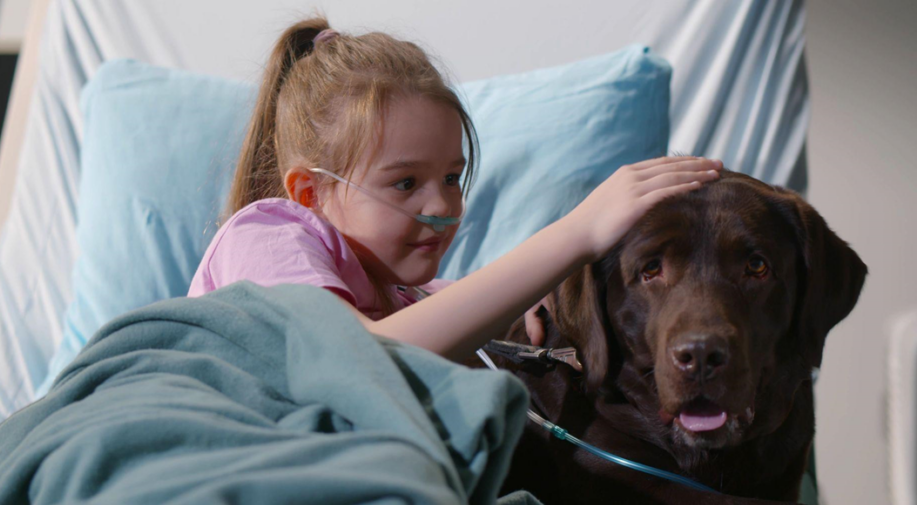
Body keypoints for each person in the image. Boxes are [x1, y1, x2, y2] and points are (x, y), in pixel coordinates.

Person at [188, 17, 721, 362]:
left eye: (451, 177)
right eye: (404, 182)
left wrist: (535, 306)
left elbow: (463, 310)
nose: (442, 205)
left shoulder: (408, 297)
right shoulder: (265, 235)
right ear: (310, 193)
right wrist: (575, 234)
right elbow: (356, 357)